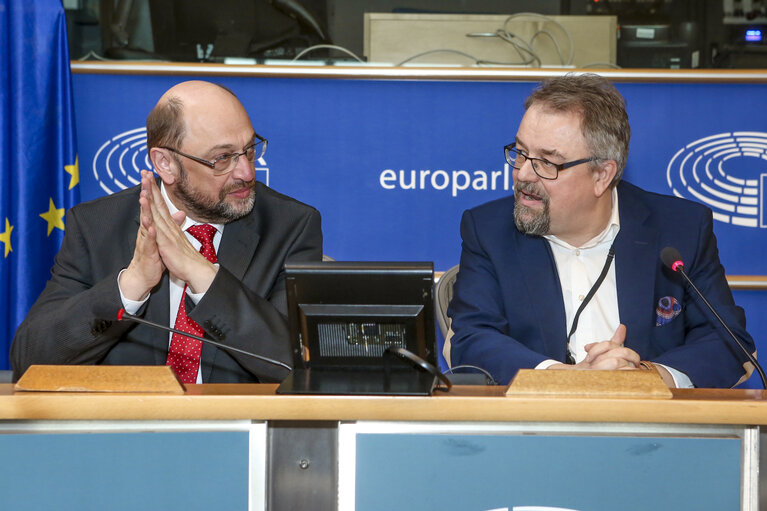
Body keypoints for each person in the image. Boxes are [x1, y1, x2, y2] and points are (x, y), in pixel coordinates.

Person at [446, 73, 755, 388]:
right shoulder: (487, 230)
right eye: (521, 152)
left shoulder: (680, 229)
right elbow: (472, 338)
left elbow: (728, 343)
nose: (523, 173)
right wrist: (564, 379)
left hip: (655, 430)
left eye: (548, 162)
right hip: (534, 426)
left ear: (602, 175)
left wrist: (645, 378)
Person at [11, 80, 322, 383]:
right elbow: (29, 361)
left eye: (249, 150)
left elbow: (301, 365)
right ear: (165, 163)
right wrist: (132, 285)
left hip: (234, 427)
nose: (246, 172)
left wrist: (203, 276)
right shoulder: (97, 226)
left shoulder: (289, 227)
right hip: (126, 429)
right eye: (222, 158)